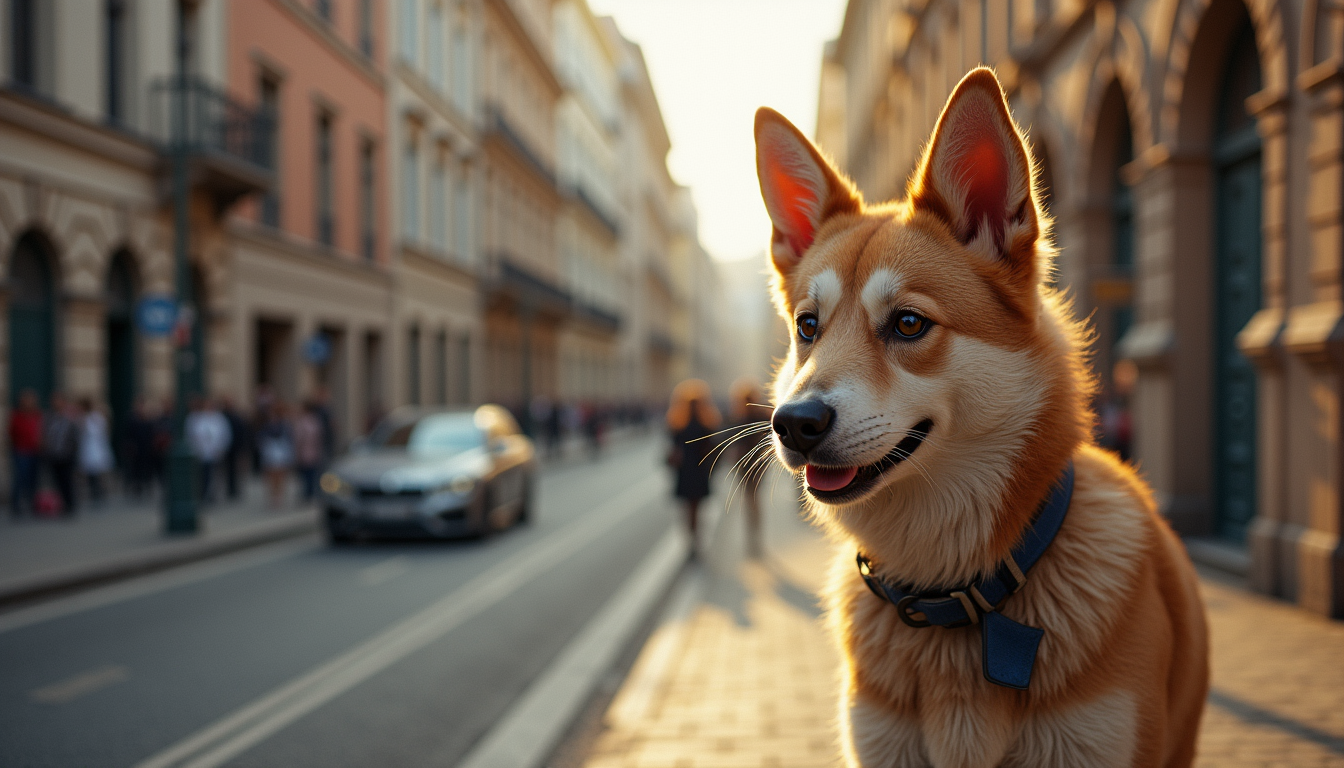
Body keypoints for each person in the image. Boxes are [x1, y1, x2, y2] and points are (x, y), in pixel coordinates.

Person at [666, 379, 722, 556]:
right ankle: (694, 541)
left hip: (686, 471)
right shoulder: (707, 423)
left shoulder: (677, 423)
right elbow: (714, 449)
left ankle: (692, 541)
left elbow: (673, 449)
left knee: (689, 509)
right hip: (698, 471)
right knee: (695, 509)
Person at [726, 379, 768, 557]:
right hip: (757, 463)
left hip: (747, 463)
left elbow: (730, 440)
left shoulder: (739, 415)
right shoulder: (760, 414)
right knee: (753, 498)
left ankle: (752, 535)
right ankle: (754, 535)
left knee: (749, 498)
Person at [186, 396, 232, 504]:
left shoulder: (219, 419)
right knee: (202, 475)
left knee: (214, 475)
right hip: (201, 453)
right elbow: (193, 435)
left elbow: (225, 435)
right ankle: (202, 494)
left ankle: (211, 495)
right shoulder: (198, 418)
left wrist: (221, 448)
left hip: (215, 452)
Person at [43, 393, 80, 516]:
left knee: (67, 481)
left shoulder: (70, 418)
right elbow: (45, 435)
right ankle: (61, 504)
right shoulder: (49, 417)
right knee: (57, 481)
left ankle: (70, 504)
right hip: (53, 455)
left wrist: (72, 452)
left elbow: (75, 438)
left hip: (67, 455)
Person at [8, 389, 43, 516]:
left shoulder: (37, 414)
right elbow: (12, 433)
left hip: (35, 451)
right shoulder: (17, 415)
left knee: (34, 479)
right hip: (21, 451)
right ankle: (16, 505)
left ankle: (32, 504)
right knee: (20, 478)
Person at [256, 400, 294, 509]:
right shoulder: (266, 423)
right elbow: (261, 436)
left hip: (281, 450)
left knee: (280, 475)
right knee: (271, 475)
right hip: (270, 450)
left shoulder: (284, 423)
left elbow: (288, 437)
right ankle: (273, 496)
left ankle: (279, 496)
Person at [78, 398, 114, 508]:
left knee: (97, 473)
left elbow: (98, 431)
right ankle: (95, 493)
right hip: (88, 449)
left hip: (95, 449)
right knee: (91, 473)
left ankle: (99, 493)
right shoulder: (85, 417)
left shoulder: (94, 418)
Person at [292, 400, 325, 503]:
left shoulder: (303, 421)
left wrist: (297, 451)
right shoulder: (315, 421)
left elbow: (298, 438)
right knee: (312, 472)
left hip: (305, 450)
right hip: (313, 450)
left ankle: (308, 493)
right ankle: (310, 492)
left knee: (306, 474)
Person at [219, 396, 251, 500]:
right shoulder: (222, 416)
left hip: (235, 446)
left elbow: (242, 432)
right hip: (225, 447)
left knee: (235, 470)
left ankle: (234, 489)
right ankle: (229, 489)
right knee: (226, 470)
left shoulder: (236, 417)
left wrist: (242, 447)